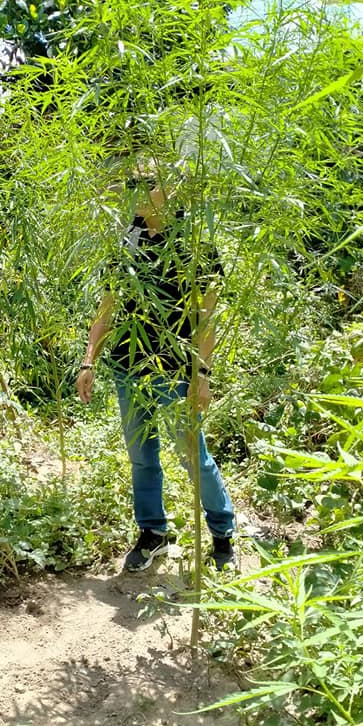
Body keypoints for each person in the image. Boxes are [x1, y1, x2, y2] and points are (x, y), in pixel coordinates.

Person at [76, 175, 236, 572]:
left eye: (145, 184)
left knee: (193, 456)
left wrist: (203, 374)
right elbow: (107, 306)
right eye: (130, 184)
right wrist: (89, 360)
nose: (135, 193)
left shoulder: (195, 244)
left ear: (171, 189)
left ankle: (223, 533)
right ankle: (153, 532)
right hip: (129, 368)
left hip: (176, 371)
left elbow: (207, 317)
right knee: (141, 458)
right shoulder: (128, 242)